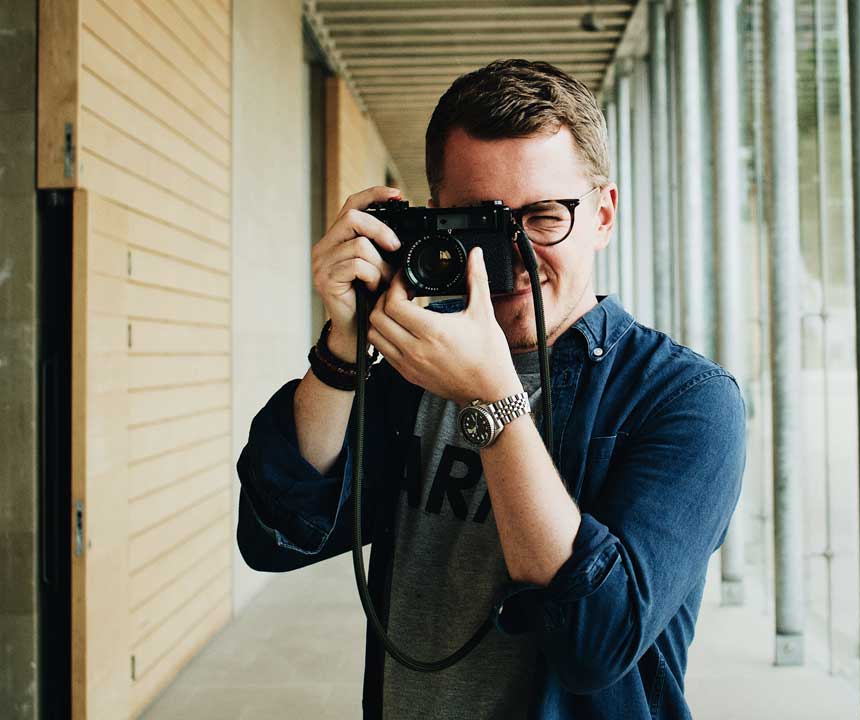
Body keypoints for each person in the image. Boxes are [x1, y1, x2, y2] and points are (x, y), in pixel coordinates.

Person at [235, 60, 746, 719]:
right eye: (480, 225)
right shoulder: (418, 372)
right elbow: (276, 535)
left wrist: (492, 402)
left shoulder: (684, 400)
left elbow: (597, 641)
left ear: (603, 215)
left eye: (541, 217)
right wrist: (341, 347)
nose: (513, 261)